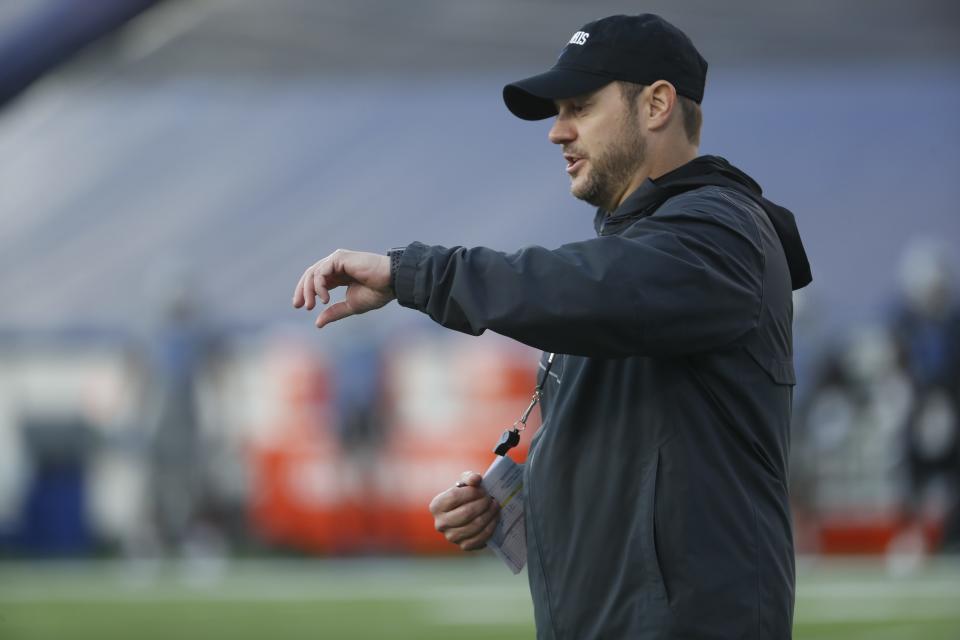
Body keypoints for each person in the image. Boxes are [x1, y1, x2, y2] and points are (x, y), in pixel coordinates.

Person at [292, 13, 811, 639]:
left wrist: (414, 273)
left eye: (579, 107)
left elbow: (584, 290)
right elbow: (643, 452)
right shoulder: (642, 253)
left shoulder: (722, 232)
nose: (557, 133)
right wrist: (517, 498)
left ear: (657, 103)